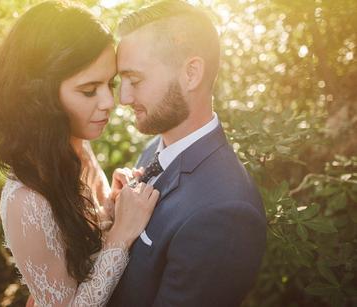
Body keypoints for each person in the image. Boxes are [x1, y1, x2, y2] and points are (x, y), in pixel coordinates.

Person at [0, 1, 159, 306]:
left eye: (109, 84)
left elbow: (88, 242)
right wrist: (122, 235)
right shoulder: (26, 201)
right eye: (89, 90)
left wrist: (113, 208)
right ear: (41, 96)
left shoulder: (77, 148)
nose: (109, 102)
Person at [108, 1, 267, 306]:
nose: (123, 98)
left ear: (191, 73)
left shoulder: (226, 212)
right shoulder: (153, 150)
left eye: (135, 80)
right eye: (121, 81)